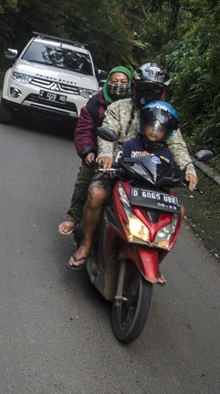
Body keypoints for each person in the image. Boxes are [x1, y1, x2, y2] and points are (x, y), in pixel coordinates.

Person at [67, 96, 194, 271]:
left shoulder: (167, 152)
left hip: (152, 195)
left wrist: (186, 172)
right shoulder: (130, 145)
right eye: (151, 125)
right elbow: (116, 157)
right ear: (143, 124)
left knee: (179, 209)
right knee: (96, 195)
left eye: (160, 129)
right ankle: (87, 244)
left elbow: (175, 164)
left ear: (168, 132)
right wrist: (109, 161)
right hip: (126, 189)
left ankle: (155, 259)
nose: (154, 132)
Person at [57, 66, 132, 236]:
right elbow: (84, 130)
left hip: (127, 159)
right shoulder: (94, 103)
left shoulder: (135, 107)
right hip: (100, 155)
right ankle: (73, 217)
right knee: (85, 179)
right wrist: (88, 151)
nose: (118, 85)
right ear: (107, 83)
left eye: (123, 82)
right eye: (114, 82)